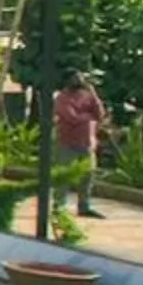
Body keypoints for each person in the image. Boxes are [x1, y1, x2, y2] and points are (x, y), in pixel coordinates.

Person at [53, 70, 106, 218]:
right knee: (63, 176)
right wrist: (89, 116)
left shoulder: (87, 96)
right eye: (75, 78)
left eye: (80, 77)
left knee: (88, 176)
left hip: (87, 143)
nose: (79, 80)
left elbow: (100, 114)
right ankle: (59, 206)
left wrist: (94, 94)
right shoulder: (62, 98)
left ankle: (84, 206)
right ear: (67, 80)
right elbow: (72, 118)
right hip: (67, 143)